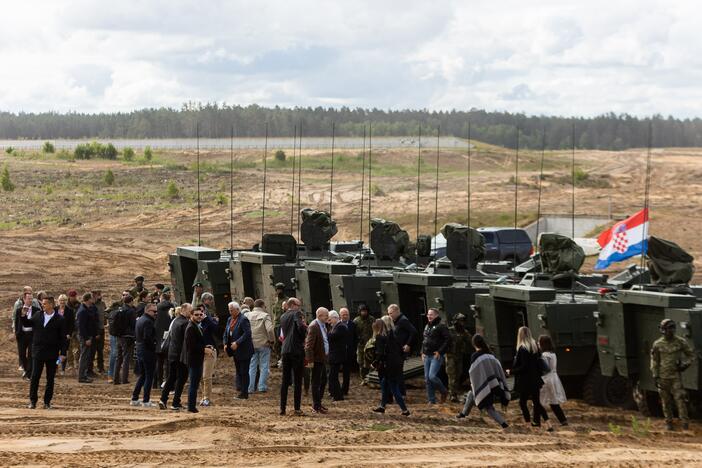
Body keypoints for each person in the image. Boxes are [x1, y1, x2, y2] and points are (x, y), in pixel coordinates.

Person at [21, 295, 67, 409]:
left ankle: (47, 402)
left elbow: (63, 338)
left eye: (45, 304)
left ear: (51, 304)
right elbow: (27, 324)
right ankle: (33, 402)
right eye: (42, 304)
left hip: (53, 354)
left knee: (50, 378)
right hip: (37, 352)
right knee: (35, 377)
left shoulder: (60, 319)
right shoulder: (38, 315)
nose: (42, 305)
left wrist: (63, 354)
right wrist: (23, 315)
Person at [456, 334, 510, 428]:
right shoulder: (491, 355)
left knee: (489, 407)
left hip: (486, 386)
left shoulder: (475, 356)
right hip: (495, 386)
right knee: (471, 394)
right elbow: (498, 370)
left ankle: (504, 424)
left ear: (474, 344)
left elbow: (474, 373)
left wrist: (474, 384)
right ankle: (464, 413)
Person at [651, 319, 695, 431]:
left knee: (680, 400)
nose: (671, 331)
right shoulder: (657, 344)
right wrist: (655, 375)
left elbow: (691, 355)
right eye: (668, 329)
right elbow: (654, 361)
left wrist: (685, 365)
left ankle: (685, 424)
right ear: (663, 330)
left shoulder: (680, 342)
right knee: (665, 402)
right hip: (663, 377)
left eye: (672, 328)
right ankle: (669, 423)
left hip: (675, 377)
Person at [511, 326, 552, 431]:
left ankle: (528, 424)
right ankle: (548, 423)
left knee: (522, 402)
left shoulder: (522, 349)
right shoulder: (535, 348)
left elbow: (524, 366)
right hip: (536, 380)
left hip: (525, 381)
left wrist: (511, 371)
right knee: (537, 402)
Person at [371, 319, 411, 416]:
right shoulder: (392, 335)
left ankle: (405, 410)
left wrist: (374, 363)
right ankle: (382, 406)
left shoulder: (380, 337)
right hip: (396, 363)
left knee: (393, 387)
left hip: (388, 366)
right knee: (385, 384)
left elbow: (380, 353)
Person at [159, 304, 192, 411]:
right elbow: (187, 341)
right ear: (183, 310)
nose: (191, 313)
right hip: (181, 356)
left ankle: (163, 399)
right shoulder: (186, 323)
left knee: (171, 377)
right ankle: (175, 402)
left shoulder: (175, 321)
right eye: (190, 311)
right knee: (181, 379)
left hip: (172, 354)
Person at [279, 298, 307, 416]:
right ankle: (296, 408)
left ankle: (282, 408)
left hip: (285, 349)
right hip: (296, 350)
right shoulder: (297, 313)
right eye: (299, 305)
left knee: (285, 380)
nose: (300, 308)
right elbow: (300, 327)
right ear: (293, 305)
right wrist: (304, 333)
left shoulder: (283, 316)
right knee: (297, 380)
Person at [224, 301, 254, 400]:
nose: (230, 312)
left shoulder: (243, 319)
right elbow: (226, 332)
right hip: (234, 350)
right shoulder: (229, 319)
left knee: (244, 371)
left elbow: (247, 333)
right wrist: (225, 343)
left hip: (244, 350)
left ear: (237, 310)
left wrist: (237, 342)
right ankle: (241, 389)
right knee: (239, 371)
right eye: (229, 310)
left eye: (232, 310)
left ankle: (245, 393)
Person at [131, 303, 158, 407]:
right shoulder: (148, 321)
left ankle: (135, 398)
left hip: (140, 350)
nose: (156, 313)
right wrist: (154, 346)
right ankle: (146, 400)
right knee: (149, 376)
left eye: (156, 311)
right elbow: (148, 338)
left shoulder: (140, 320)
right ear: (147, 311)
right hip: (147, 352)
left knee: (142, 376)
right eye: (154, 311)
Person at [421, 308, 450, 404]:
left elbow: (447, 340)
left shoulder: (441, 326)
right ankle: (431, 400)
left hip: (435, 356)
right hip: (426, 355)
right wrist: (422, 352)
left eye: (431, 315)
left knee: (432, 376)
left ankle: (444, 391)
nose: (429, 316)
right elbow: (424, 340)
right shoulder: (427, 326)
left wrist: (440, 352)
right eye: (428, 314)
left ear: (436, 315)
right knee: (427, 379)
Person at [246, 299, 275, 394]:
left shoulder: (247, 315)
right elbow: (270, 330)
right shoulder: (265, 315)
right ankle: (262, 386)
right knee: (264, 365)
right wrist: (271, 341)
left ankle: (250, 387)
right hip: (264, 344)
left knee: (252, 366)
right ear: (262, 306)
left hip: (251, 344)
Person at [387, 304, 417, 395]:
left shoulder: (403, 320)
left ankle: (402, 393)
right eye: (388, 313)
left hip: (400, 351)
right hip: (396, 350)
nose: (389, 315)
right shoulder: (396, 321)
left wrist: (408, 344)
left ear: (396, 311)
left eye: (391, 313)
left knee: (398, 373)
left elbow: (413, 332)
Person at [538, 335, 568, 426]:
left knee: (539, 400)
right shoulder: (552, 354)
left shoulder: (544, 355)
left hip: (547, 379)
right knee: (553, 401)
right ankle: (563, 420)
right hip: (554, 378)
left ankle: (536, 420)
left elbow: (545, 368)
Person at [182, 304, 206, 413]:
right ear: (191, 315)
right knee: (193, 384)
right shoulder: (191, 327)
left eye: (200, 314)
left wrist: (205, 347)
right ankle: (191, 407)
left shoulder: (196, 325)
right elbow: (192, 346)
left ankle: (192, 406)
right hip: (194, 360)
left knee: (195, 383)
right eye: (196, 315)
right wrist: (204, 349)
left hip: (197, 359)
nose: (199, 316)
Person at [305, 307, 330, 413]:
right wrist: (310, 360)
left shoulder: (322, 325)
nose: (328, 318)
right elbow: (308, 346)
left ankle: (318, 402)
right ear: (319, 316)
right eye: (326, 316)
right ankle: (316, 405)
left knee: (323, 380)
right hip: (316, 359)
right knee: (316, 382)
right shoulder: (314, 326)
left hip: (322, 358)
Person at [199, 295, 220, 406]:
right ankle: (203, 396)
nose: (199, 315)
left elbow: (216, 328)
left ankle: (207, 398)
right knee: (201, 377)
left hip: (210, 350)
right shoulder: (194, 324)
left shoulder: (208, 320)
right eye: (197, 313)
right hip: (198, 351)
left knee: (206, 376)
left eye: (201, 312)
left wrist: (207, 318)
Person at [446, 313, 472, 402]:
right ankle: (452, 394)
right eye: (460, 321)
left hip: (459, 356)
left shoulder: (464, 332)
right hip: (450, 356)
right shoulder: (449, 331)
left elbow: (471, 340)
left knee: (459, 374)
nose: (462, 323)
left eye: (463, 321)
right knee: (452, 375)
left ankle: (455, 392)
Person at [114, 295, 137, 385]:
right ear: (130, 301)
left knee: (118, 358)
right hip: (128, 337)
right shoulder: (130, 311)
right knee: (126, 358)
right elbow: (133, 324)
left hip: (119, 336)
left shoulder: (120, 309)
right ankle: (124, 379)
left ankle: (116, 379)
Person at [76, 293, 98, 383]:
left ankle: (83, 375)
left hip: (87, 336)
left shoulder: (86, 309)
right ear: (88, 299)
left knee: (86, 356)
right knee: (84, 356)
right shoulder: (83, 311)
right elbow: (81, 327)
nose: (93, 299)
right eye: (92, 298)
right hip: (85, 336)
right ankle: (81, 376)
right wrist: (86, 339)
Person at [154, 291, 174, 388]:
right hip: (168, 340)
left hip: (158, 339)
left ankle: (157, 382)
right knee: (168, 363)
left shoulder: (155, 310)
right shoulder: (172, 310)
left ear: (161, 299)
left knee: (158, 362)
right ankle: (167, 382)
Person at [14, 292, 36, 380]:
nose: (30, 300)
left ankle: (28, 374)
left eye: (31, 299)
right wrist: (16, 332)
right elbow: (16, 322)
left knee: (31, 355)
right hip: (22, 335)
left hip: (32, 335)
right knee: (22, 354)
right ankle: (27, 370)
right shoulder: (19, 310)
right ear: (24, 299)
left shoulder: (37, 310)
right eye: (28, 298)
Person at [327, 310, 348, 402]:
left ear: (335, 318)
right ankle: (335, 394)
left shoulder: (341, 327)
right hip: (335, 355)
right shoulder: (337, 326)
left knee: (333, 376)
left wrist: (325, 331)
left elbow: (332, 337)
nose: (329, 321)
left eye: (330, 319)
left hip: (337, 356)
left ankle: (338, 396)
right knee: (332, 376)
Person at [353, 304, 374, 384]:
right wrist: (358, 339)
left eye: (365, 311)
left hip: (370, 345)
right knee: (361, 362)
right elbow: (354, 333)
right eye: (362, 311)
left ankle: (371, 378)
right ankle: (364, 379)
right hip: (361, 346)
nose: (364, 313)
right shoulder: (356, 321)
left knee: (370, 362)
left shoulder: (371, 319)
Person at [339, 308, 355, 396]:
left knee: (346, 372)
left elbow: (355, 338)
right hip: (339, 352)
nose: (345, 316)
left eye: (347, 314)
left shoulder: (352, 324)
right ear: (340, 315)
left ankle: (345, 389)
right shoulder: (337, 324)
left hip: (349, 352)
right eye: (343, 314)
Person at [271, 283, 288, 367]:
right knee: (276, 344)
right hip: (276, 325)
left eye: (280, 289)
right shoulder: (276, 300)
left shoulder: (287, 301)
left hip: (283, 325)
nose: (279, 291)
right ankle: (279, 360)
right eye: (277, 289)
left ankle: (284, 361)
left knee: (283, 343)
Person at [64, 289, 81, 371]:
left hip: (77, 329)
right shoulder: (66, 306)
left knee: (78, 347)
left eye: (74, 296)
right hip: (68, 329)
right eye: (72, 296)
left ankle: (77, 362)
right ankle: (70, 363)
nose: (73, 298)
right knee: (69, 347)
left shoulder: (79, 305)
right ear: (69, 297)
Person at [92, 290, 107, 375]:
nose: (99, 296)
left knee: (100, 350)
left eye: (99, 295)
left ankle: (100, 367)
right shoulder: (92, 305)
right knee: (92, 350)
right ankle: (90, 368)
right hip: (94, 331)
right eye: (97, 295)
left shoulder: (102, 304)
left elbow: (105, 314)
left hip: (101, 329)